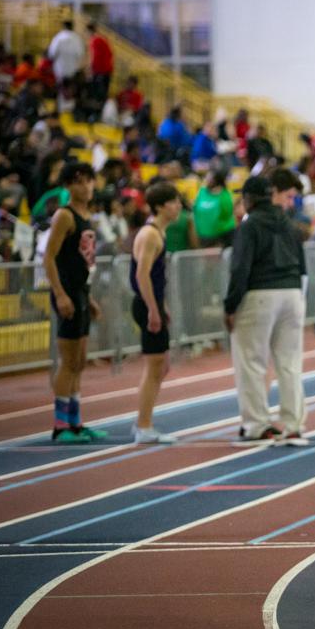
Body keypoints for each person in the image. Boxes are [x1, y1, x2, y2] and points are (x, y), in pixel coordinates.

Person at [224, 170, 308, 445]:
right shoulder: (288, 222)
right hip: (292, 293)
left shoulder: (249, 225)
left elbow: (240, 269)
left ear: (248, 199)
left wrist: (230, 305)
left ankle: (257, 425)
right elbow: (302, 263)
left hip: (259, 294)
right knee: (290, 363)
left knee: (251, 363)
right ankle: (293, 425)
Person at [42, 162, 108, 444]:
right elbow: (49, 257)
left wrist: (88, 297)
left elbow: (81, 261)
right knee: (69, 361)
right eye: (80, 182)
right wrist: (60, 294)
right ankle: (60, 426)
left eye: (90, 181)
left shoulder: (86, 215)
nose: (87, 186)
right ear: (68, 185)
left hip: (79, 292)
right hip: (66, 292)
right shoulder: (64, 216)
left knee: (80, 361)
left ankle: (77, 422)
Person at [130, 182, 182, 443]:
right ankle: (143, 426)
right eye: (174, 202)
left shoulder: (157, 233)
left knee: (161, 366)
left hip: (152, 303)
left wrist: (162, 306)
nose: (179, 206)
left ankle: (144, 421)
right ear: (161, 206)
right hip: (145, 304)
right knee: (154, 367)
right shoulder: (150, 234)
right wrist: (153, 309)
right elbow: (142, 274)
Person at [192, 168, 236, 247]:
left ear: (217, 180)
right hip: (203, 235)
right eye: (206, 177)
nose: (206, 180)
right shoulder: (202, 192)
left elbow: (227, 214)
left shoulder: (225, 195)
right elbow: (195, 209)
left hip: (222, 235)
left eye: (209, 178)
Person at [47, 20, 84, 87]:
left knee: (61, 87)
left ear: (63, 27)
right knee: (71, 87)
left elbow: (52, 53)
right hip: (72, 68)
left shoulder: (58, 37)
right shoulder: (77, 38)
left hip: (60, 68)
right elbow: (80, 53)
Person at [87, 22, 113, 110]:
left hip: (101, 70)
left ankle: (99, 111)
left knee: (98, 94)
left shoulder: (95, 40)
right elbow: (110, 53)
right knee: (103, 92)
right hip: (107, 69)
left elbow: (96, 56)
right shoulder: (102, 39)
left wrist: (91, 69)